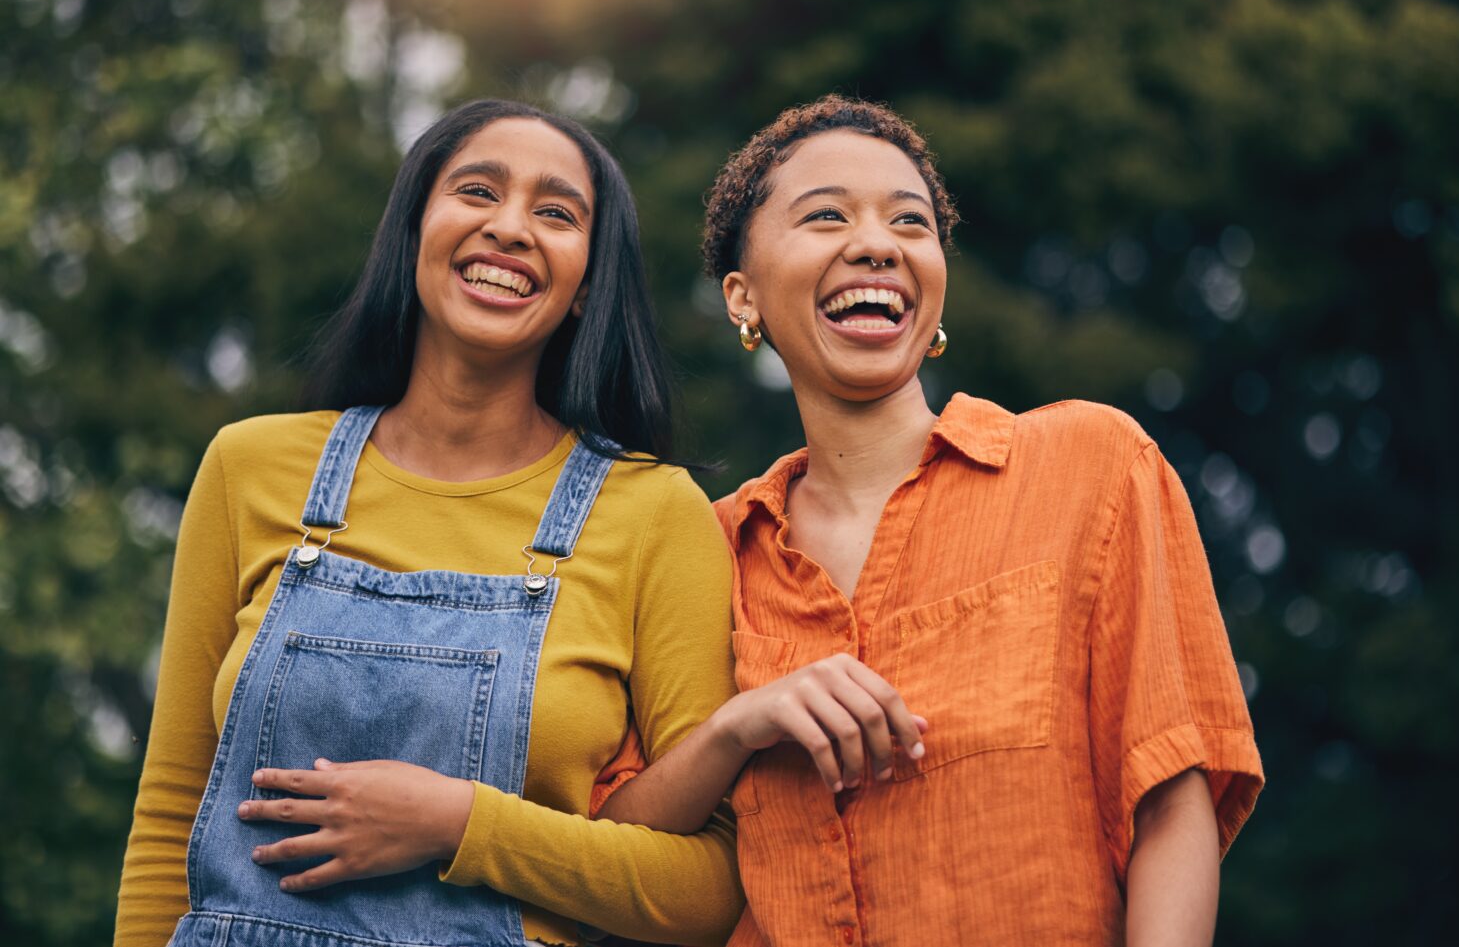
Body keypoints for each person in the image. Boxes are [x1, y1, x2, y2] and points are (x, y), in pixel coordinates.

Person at [597, 95, 1265, 945]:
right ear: (743, 295)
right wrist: (740, 725)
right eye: (827, 215)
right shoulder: (703, 546)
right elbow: (614, 840)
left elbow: (1173, 795)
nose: (877, 243)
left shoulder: (1092, 466)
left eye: (911, 223)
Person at [114, 99, 743, 947]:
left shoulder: (655, 513)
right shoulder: (251, 467)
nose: (511, 227)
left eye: (556, 213)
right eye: (477, 191)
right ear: (414, 229)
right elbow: (169, 818)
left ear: (588, 280)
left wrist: (462, 823)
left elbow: (708, 889)